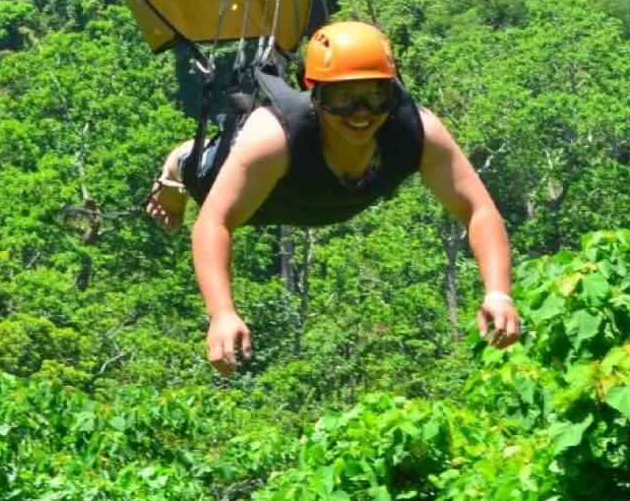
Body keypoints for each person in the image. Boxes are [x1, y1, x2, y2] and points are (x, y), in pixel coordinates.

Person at [146, 21, 521, 371]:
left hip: (333, 197)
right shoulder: (274, 138)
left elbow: (478, 210)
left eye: (376, 96)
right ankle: (176, 165)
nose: (361, 113)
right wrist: (222, 313)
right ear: (315, 94)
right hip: (257, 195)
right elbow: (215, 223)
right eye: (344, 97)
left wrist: (499, 293)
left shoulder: (417, 133)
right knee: (204, 169)